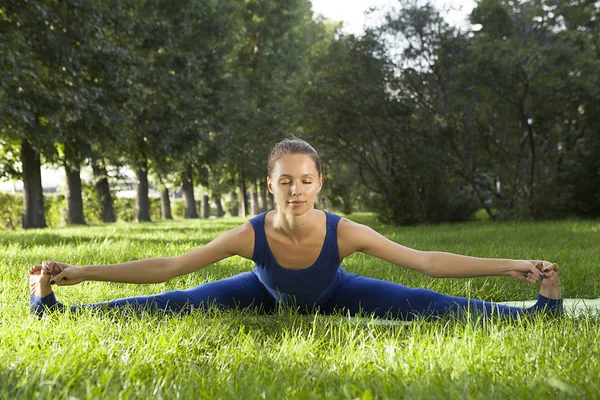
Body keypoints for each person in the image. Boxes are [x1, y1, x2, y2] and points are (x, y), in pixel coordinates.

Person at [29, 138, 563, 319]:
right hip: (259, 292)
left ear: (319, 182)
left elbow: (426, 261)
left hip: (338, 292)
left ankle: (539, 312)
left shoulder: (344, 231)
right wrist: (82, 271)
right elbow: (168, 267)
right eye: (286, 181)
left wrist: (512, 264)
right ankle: (51, 306)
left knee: (421, 300)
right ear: (270, 185)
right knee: (179, 299)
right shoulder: (250, 234)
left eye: (306, 180)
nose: (297, 189)